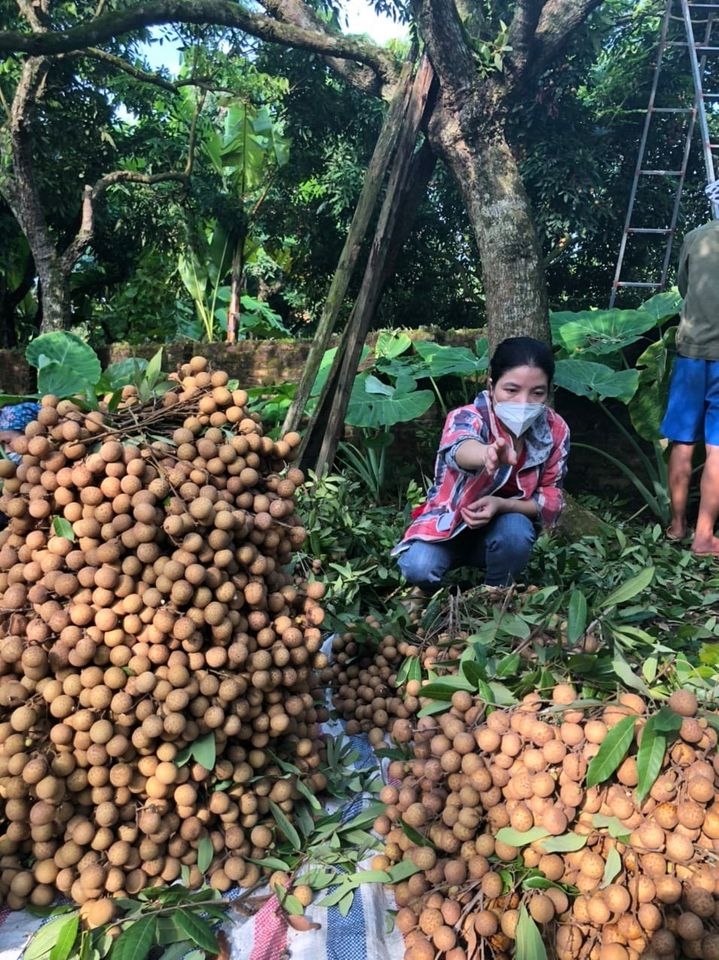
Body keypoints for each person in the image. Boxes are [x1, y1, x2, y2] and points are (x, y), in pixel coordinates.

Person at [392, 336, 570, 592]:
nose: (523, 402)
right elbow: (459, 446)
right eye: (511, 390)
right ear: (492, 385)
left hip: (504, 530)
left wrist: (501, 505)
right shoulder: (468, 417)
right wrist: (486, 454)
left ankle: (495, 593)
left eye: (537, 392)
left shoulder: (555, 430)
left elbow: (552, 498)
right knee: (418, 567)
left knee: (516, 531)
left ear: (548, 392)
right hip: (450, 527)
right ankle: (434, 591)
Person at [661, 183, 719, 555]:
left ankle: (677, 526)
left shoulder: (697, 237)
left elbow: (683, 287)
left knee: (683, 442)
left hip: (690, 351)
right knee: (718, 448)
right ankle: (704, 536)